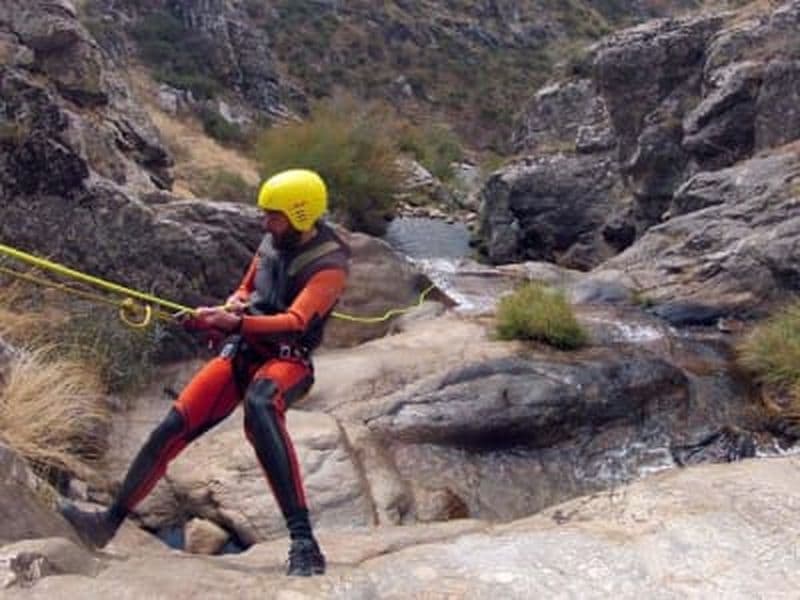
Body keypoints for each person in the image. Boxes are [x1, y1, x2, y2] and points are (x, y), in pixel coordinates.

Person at [59, 169, 350, 577]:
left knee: (261, 406)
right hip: (245, 350)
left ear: (301, 215)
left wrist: (234, 324)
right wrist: (226, 309)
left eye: (275, 216)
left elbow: (297, 321)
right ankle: (106, 524)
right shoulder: (272, 241)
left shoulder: (329, 264)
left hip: (288, 359)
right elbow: (247, 290)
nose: (267, 223)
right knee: (172, 426)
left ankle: (304, 544)